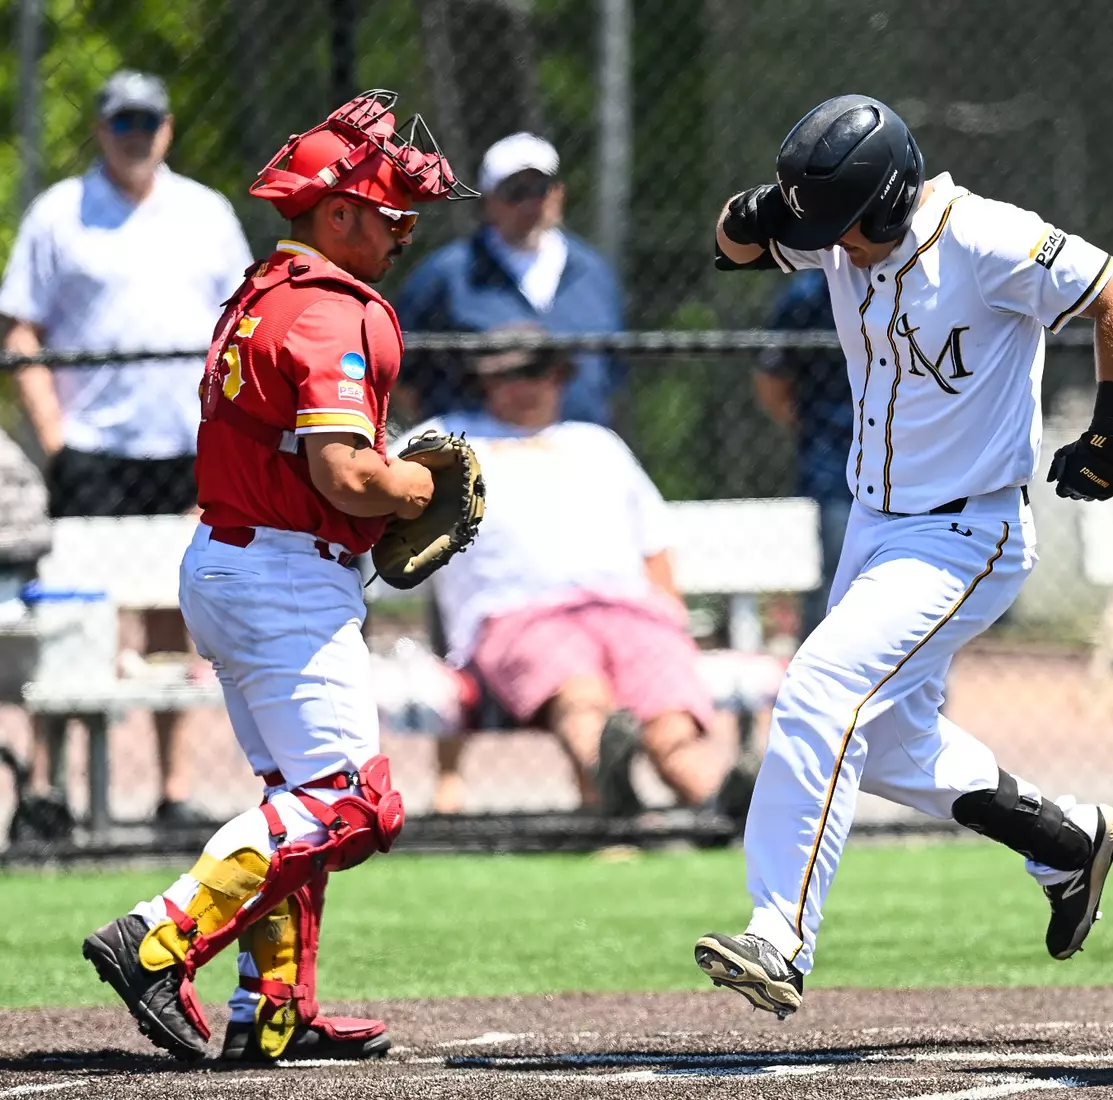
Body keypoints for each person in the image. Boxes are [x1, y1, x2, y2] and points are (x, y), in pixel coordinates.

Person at [696, 94, 1113, 1019]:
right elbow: (734, 247)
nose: (831, 247)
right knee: (888, 741)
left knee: (823, 686)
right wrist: (753, 213)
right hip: (875, 527)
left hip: (966, 532)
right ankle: (1065, 840)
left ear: (891, 200)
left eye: (840, 228)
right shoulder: (841, 228)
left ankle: (779, 936)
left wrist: (1108, 438)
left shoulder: (986, 238)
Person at [79, 90, 474, 1064]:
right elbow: (346, 471)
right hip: (283, 576)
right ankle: (159, 937)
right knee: (352, 801)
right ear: (335, 213)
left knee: (299, 793)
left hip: (238, 561)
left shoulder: (263, 291)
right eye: (387, 215)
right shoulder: (332, 307)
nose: (402, 231)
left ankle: (275, 1007)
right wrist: (416, 480)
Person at [0, 70, 253, 824]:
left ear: (167, 128)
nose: (135, 135)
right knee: (74, 617)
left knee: (179, 604)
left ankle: (173, 788)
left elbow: (240, 321)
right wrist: (56, 437)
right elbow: (22, 329)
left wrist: (230, 433)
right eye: (121, 123)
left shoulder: (205, 213)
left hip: (188, 444)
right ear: (101, 129)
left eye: (148, 122)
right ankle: (48, 790)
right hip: (94, 451)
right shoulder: (59, 214)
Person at [407, 333, 752, 818]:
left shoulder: (596, 442)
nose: (522, 385)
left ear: (560, 374)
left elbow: (654, 545)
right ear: (481, 380)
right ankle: (612, 793)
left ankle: (721, 806)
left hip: (628, 608)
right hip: (518, 616)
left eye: (535, 371)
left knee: (671, 717)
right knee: (581, 695)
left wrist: (669, 617)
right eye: (505, 373)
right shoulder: (443, 441)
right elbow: (375, 502)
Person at [395, 132, 622, 424]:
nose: (530, 203)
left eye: (541, 188)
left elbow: (612, 373)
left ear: (559, 192)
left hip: (574, 456)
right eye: (515, 191)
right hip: (478, 457)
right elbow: (397, 374)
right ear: (489, 202)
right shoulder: (446, 274)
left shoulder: (594, 272)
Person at [754, 269, 856, 636]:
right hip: (833, 461)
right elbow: (771, 380)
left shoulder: (909, 280)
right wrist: (811, 429)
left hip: (909, 460)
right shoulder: (808, 296)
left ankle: (918, 689)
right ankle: (824, 686)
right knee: (836, 579)